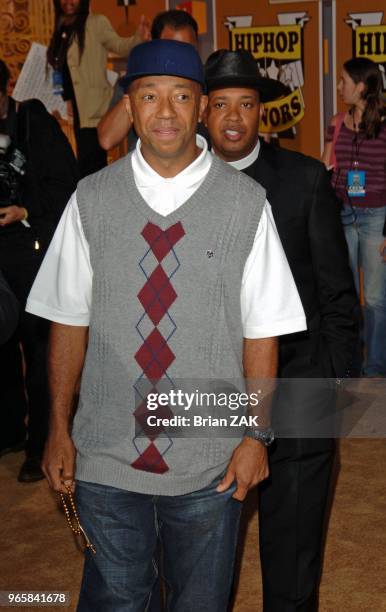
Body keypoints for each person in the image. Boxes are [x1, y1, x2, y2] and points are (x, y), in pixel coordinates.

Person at [26, 40, 307, 610]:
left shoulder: (246, 204)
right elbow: (68, 321)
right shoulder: (90, 200)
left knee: (200, 602)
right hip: (105, 457)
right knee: (117, 601)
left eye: (181, 96)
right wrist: (57, 425)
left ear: (200, 107)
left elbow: (263, 331)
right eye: (149, 96)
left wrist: (256, 435)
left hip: (210, 460)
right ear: (128, 108)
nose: (165, 112)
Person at [204, 49, 359, 612]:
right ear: (203, 111)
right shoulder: (178, 186)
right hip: (209, 393)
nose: (234, 118)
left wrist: (335, 382)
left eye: (246, 104)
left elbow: (337, 290)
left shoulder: (304, 179)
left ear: (261, 112)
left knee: (293, 557)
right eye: (221, 105)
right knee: (199, 558)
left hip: (298, 386)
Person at [0, 60, 78, 479]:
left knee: (39, 348)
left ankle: (41, 443)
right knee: (2, 347)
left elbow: (67, 186)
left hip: (32, 247)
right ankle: (10, 430)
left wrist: (25, 210)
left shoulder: (32, 123)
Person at [322, 58, 386, 376]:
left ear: (360, 86)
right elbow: (327, 168)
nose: (339, 86)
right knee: (345, 295)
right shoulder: (336, 122)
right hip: (343, 214)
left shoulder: (385, 125)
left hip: (376, 216)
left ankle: (375, 367)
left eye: (343, 80)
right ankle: (351, 362)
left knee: (374, 299)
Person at [47, 0, 149, 178]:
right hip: (77, 109)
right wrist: (67, 98)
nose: (68, 2)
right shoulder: (61, 25)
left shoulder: (96, 23)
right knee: (85, 164)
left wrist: (138, 38)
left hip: (95, 108)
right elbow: (65, 69)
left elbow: (120, 46)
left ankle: (97, 202)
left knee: (92, 166)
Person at [97, 9, 199, 152]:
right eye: (171, 50)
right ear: (154, 45)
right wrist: (140, 80)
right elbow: (107, 139)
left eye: (188, 50)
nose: (180, 59)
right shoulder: (133, 82)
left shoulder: (209, 81)